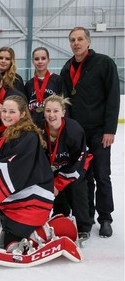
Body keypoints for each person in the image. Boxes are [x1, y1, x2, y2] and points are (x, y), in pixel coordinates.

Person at [60, 26, 120, 238]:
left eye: (80, 39)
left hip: (99, 131)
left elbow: (113, 97)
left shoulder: (104, 63)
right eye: (72, 40)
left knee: (102, 174)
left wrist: (109, 130)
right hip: (78, 133)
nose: (76, 43)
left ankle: (105, 218)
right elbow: (66, 103)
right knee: (83, 177)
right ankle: (87, 215)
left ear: (88, 41)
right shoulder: (67, 68)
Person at [0, 95, 54, 249]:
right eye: (4, 111)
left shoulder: (28, 136)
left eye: (12, 112)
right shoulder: (6, 133)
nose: (6, 115)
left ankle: (43, 232)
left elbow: (15, 165)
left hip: (33, 197)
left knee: (11, 242)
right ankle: (34, 233)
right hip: (18, 197)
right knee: (9, 241)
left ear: (23, 114)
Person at [41, 95, 93, 240]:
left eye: (56, 111)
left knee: (77, 189)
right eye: (48, 111)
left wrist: (58, 183)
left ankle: (83, 226)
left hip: (75, 165)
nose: (52, 115)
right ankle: (61, 219)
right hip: (53, 168)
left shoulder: (74, 130)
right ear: (43, 112)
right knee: (57, 197)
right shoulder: (38, 130)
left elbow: (79, 159)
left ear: (63, 112)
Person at [25, 47, 66, 125]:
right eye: (37, 59)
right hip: (34, 124)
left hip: (53, 123)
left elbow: (64, 104)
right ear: (33, 61)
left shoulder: (57, 80)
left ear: (48, 60)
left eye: (43, 58)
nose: (40, 61)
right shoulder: (28, 84)